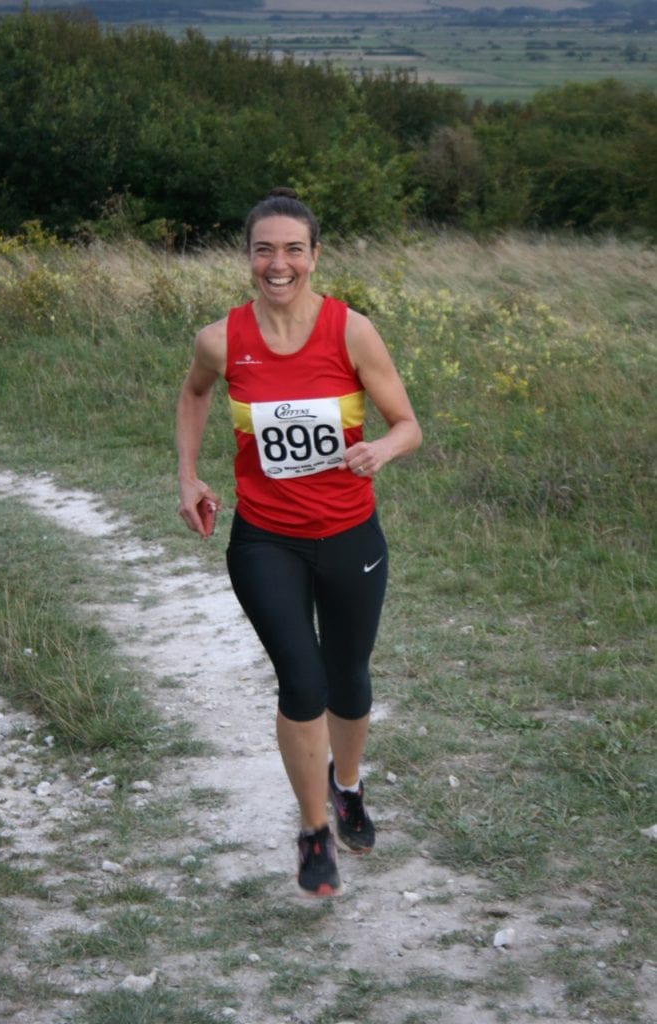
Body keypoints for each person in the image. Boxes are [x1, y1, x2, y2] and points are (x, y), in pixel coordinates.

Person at [176, 187, 421, 897]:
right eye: (264, 250)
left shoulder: (352, 332)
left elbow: (408, 424)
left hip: (349, 533)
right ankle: (314, 829)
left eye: (292, 250)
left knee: (349, 676)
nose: (277, 264)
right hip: (265, 539)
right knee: (303, 682)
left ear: (314, 255)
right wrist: (188, 476)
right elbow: (194, 394)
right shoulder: (221, 340)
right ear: (248, 257)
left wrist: (382, 449)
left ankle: (348, 786)